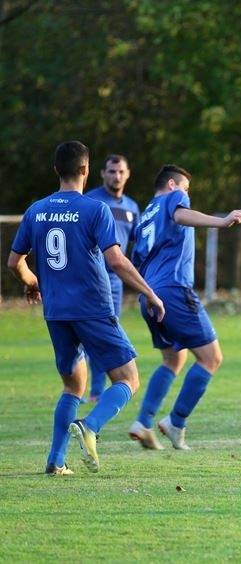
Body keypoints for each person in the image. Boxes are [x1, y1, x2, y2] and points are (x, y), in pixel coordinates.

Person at [6, 140, 164, 475]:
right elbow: (116, 260)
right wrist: (150, 293)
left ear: (55, 171)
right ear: (86, 170)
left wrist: (32, 281)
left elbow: (13, 262)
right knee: (128, 379)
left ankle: (56, 460)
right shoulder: (95, 209)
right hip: (92, 308)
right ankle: (90, 425)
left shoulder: (36, 210)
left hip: (56, 313)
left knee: (73, 386)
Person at [128, 165, 241, 450]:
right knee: (211, 358)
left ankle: (143, 423)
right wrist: (222, 221)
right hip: (173, 290)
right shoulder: (173, 199)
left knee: (173, 360)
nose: (186, 195)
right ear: (172, 184)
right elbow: (181, 214)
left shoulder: (145, 217)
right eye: (186, 190)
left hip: (149, 295)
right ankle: (176, 423)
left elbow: (135, 260)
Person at [84, 154, 140, 401]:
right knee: (86, 334)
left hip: (115, 282)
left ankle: (97, 391)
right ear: (102, 174)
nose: (116, 176)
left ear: (127, 174)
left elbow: (135, 246)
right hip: (90, 278)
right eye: (111, 171)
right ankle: (90, 389)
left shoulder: (131, 207)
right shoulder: (91, 201)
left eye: (120, 172)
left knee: (106, 335)